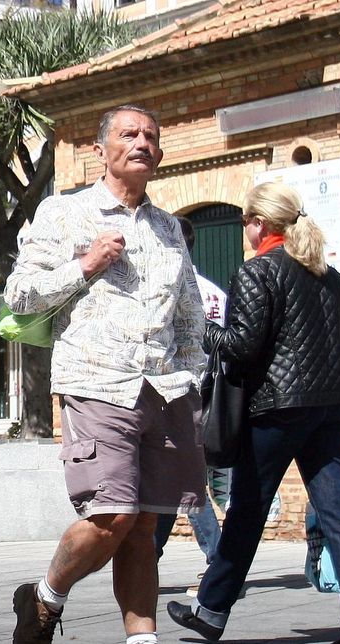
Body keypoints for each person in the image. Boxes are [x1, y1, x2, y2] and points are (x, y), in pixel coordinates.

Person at [3, 104, 207, 644]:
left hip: (163, 390)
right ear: (101, 150)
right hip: (96, 383)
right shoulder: (63, 214)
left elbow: (189, 314)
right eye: (128, 134)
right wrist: (85, 265)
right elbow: (19, 294)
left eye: (151, 135)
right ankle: (45, 597)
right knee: (112, 517)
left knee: (144, 530)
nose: (142, 142)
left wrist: (190, 377)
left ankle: (142, 639)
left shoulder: (168, 229)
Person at [168, 181, 340, 644]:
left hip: (278, 408)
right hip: (334, 406)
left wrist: (201, 329)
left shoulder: (258, 271)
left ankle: (211, 612)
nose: (244, 229)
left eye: (245, 221)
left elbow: (241, 347)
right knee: (338, 512)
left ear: (259, 224)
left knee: (247, 511)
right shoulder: (333, 277)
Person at [154, 216, 227, 592]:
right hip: (208, 393)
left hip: (179, 393)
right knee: (171, 479)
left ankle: (219, 561)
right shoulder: (214, 291)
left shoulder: (175, 287)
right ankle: (149, 555)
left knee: (187, 481)